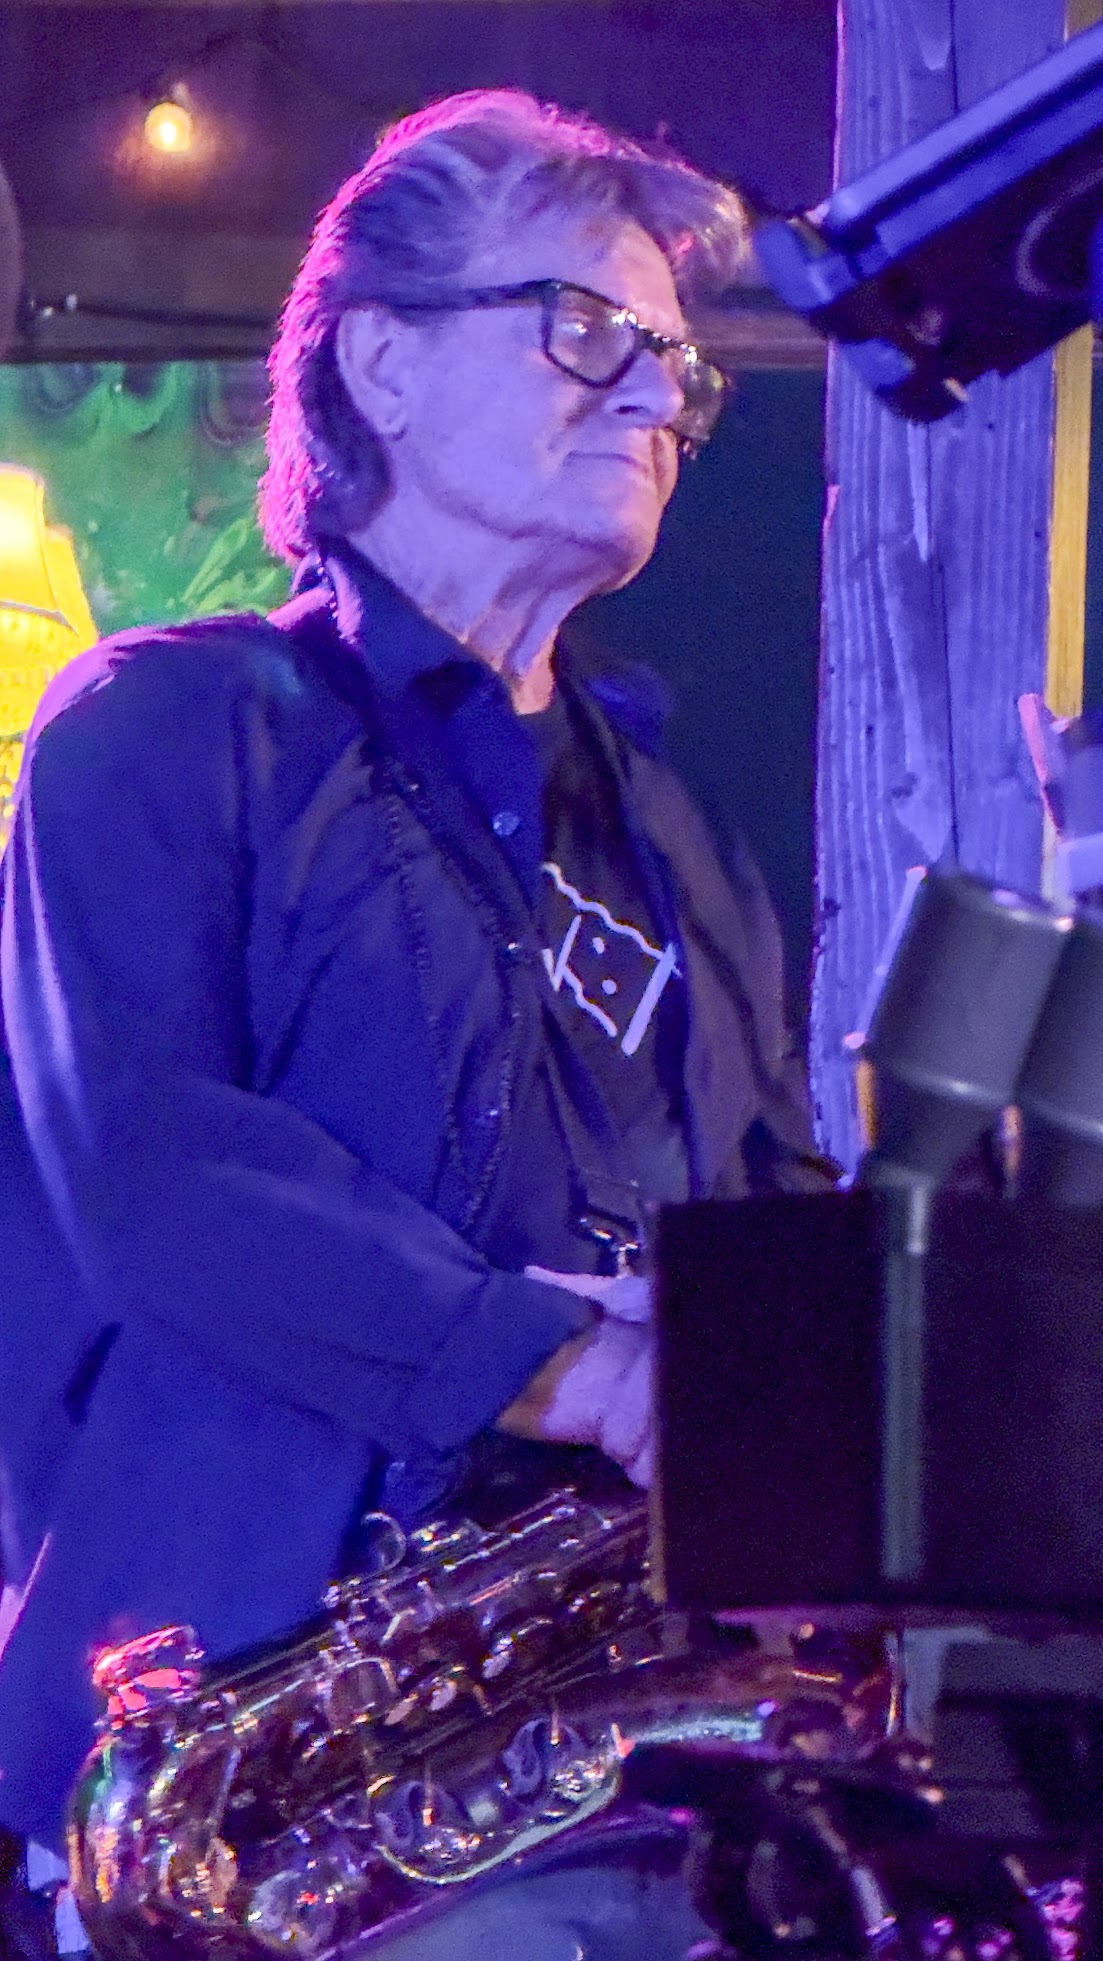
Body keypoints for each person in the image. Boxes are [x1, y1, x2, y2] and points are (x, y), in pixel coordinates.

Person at [0, 88, 828, 1956]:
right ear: (379, 360)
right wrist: (571, 1364)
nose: (657, 396)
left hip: (600, 1764)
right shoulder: (161, 730)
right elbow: (164, 1177)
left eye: (682, 370)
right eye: (589, 329)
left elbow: (776, 1227)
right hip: (250, 1780)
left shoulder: (684, 840)